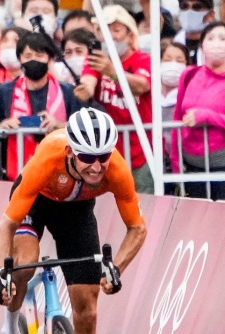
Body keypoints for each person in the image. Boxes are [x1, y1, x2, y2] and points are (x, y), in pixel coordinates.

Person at [0, 108, 147, 334]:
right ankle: (10, 333)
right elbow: (5, 225)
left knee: (87, 310)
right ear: (69, 151)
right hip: (37, 201)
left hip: (75, 212)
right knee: (23, 267)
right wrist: (4, 275)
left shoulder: (116, 169)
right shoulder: (49, 156)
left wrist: (116, 268)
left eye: (103, 156)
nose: (96, 167)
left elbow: (137, 228)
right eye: (87, 158)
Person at [77, 5, 154, 193]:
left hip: (143, 150)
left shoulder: (143, 59)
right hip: (105, 153)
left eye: (116, 30)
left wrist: (112, 71)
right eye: (104, 30)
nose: (110, 36)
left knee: (144, 206)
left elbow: (142, 85)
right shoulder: (95, 60)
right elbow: (88, 82)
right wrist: (83, 90)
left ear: (130, 35)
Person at [0, 32, 81, 179]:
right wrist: (4, 125)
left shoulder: (67, 91)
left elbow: (80, 127)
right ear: (19, 59)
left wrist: (58, 124)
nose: (33, 60)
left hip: (60, 172)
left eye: (39, 56)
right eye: (28, 56)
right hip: (17, 172)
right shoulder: (5, 91)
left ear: (49, 59)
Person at [171, 22, 225, 200]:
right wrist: (176, 165)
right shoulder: (189, 75)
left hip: (221, 168)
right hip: (191, 168)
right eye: (210, 38)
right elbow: (177, 119)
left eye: (223, 39)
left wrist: (208, 116)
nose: (216, 44)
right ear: (202, 46)